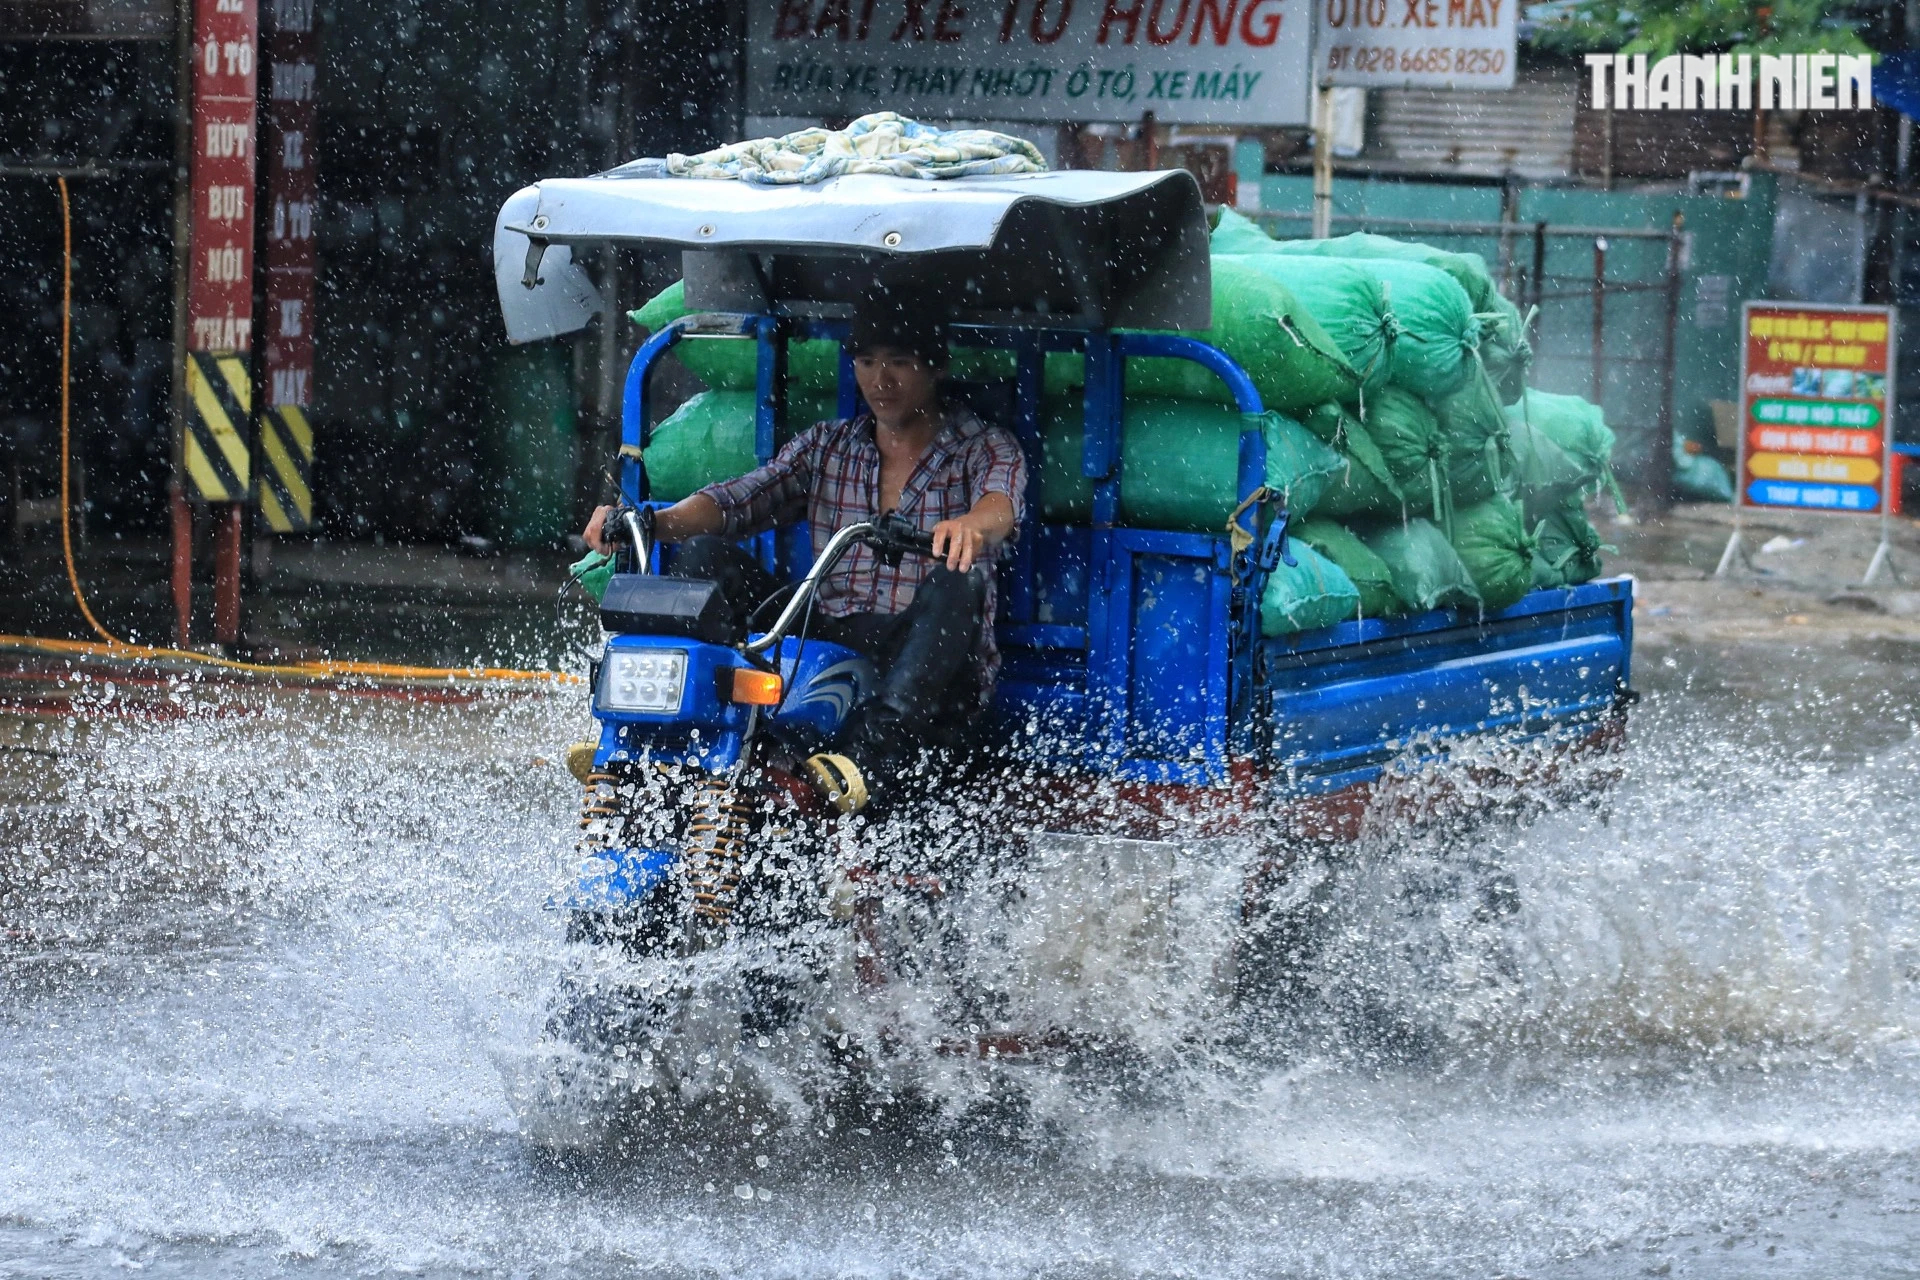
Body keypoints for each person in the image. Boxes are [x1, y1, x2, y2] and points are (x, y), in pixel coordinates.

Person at [584, 300, 1027, 815]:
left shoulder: (983, 447)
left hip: (920, 651)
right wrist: (649, 521)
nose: (881, 379)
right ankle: (667, 736)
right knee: (705, 556)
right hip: (827, 629)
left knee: (960, 579)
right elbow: (739, 499)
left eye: (900, 362)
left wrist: (970, 526)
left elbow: (1002, 504)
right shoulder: (829, 445)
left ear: (937, 366)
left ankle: (867, 758)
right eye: (868, 362)